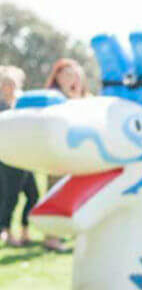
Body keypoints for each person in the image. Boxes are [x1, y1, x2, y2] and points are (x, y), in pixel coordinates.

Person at [41, 58, 89, 252]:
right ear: (58, 76)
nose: (72, 78)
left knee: (78, 194)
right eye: (68, 74)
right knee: (56, 193)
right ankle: (51, 238)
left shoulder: (86, 98)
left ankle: (73, 233)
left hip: (80, 155)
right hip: (58, 154)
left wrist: (77, 96)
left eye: (76, 74)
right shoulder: (52, 97)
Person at [0, 66, 36, 247]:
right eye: (6, 83)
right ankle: (5, 231)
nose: (9, 87)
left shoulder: (23, 104)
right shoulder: (1, 107)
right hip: (8, 158)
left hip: (25, 157)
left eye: (12, 83)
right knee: (10, 197)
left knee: (33, 195)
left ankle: (25, 231)